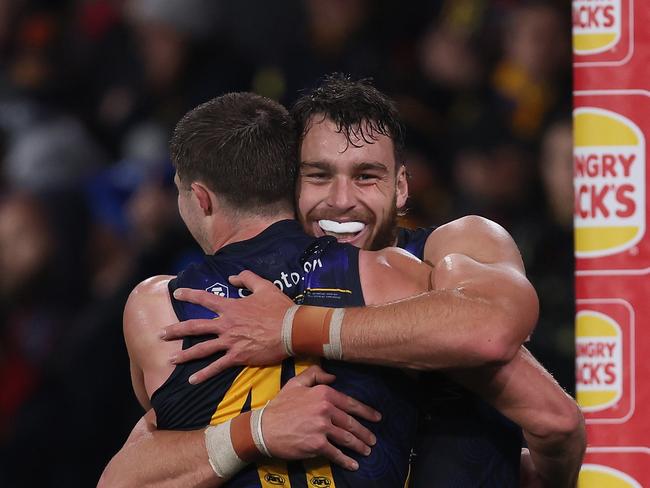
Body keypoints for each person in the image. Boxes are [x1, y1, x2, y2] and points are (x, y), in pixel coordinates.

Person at [100, 85, 584, 487]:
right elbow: (133, 468)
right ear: (290, 185)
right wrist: (257, 430)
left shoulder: (444, 252)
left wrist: (294, 327)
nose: (341, 200)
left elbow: (496, 335)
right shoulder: (243, 303)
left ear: (401, 187)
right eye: (319, 176)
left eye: (367, 177)